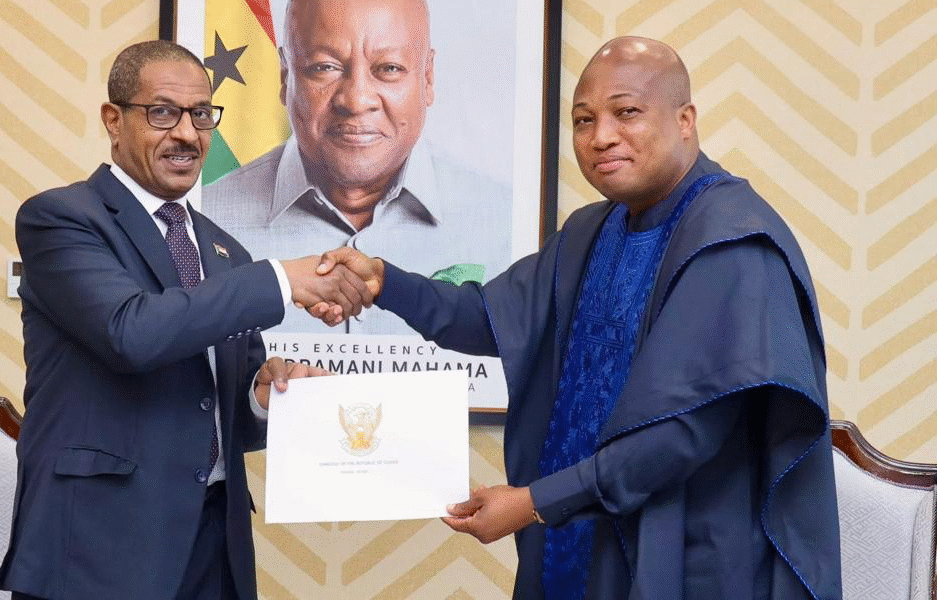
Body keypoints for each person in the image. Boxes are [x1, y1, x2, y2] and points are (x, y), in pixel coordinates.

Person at [314, 37, 842, 599]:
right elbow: (488, 319)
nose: (601, 136)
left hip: (686, 555)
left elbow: (679, 437)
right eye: (583, 120)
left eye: (626, 112)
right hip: (577, 541)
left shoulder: (731, 242)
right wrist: (384, 282)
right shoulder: (594, 230)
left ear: (685, 120)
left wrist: (534, 503)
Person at [0, 40, 373, 600]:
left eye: (200, 115)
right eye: (163, 113)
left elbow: (218, 412)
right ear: (113, 120)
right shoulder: (62, 219)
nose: (187, 134)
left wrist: (262, 398)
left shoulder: (225, 251)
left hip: (214, 548)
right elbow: (131, 333)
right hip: (97, 549)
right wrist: (281, 279)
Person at [201, 0, 512, 334]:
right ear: (285, 75)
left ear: (428, 77)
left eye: (389, 68)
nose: (356, 100)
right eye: (325, 67)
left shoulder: (504, 223)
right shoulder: (205, 221)